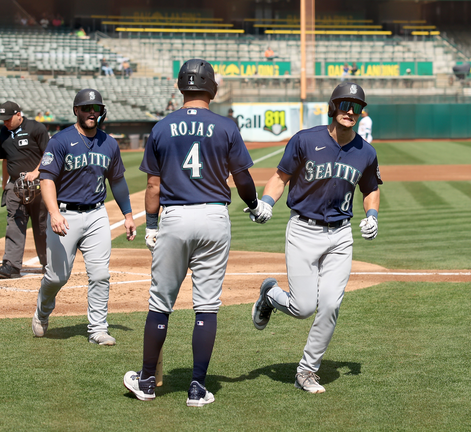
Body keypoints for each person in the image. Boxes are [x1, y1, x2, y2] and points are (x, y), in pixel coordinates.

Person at [123, 59, 269, 407]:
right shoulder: (225, 127)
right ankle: (196, 388)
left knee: (160, 303)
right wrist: (254, 205)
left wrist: (152, 226)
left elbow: (154, 187)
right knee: (206, 306)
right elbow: (243, 178)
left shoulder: (161, 127)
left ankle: (146, 381)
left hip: (174, 217)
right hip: (214, 217)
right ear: (213, 89)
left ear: (180, 87)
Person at [249, 82, 382, 394]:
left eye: (356, 106)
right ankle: (270, 296)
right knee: (303, 307)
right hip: (303, 231)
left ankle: (307, 371)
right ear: (333, 107)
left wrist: (372, 216)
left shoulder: (366, 152)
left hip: (340, 236)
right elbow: (280, 177)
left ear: (362, 112)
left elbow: (371, 189)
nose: (350, 111)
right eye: (344, 104)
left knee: (331, 305)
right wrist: (267, 202)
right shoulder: (305, 140)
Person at [33, 88, 137, 346]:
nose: (93, 112)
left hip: (96, 215)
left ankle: (98, 330)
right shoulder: (60, 141)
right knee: (57, 276)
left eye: (97, 108)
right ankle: (42, 311)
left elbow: (117, 181)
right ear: (76, 110)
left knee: (100, 275)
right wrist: (54, 213)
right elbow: (46, 179)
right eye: (87, 108)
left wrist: (128, 215)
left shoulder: (109, 143)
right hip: (65, 215)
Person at [0, 101, 49, 279]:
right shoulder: (3, 133)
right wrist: (5, 183)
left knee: (42, 227)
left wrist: (36, 172)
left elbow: (49, 155)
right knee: (14, 225)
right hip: (15, 185)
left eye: (8, 119)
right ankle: (11, 266)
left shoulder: (36, 128)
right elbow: (5, 160)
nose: (5, 122)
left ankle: (49, 264)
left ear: (18, 114)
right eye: (3, 120)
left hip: (38, 186)